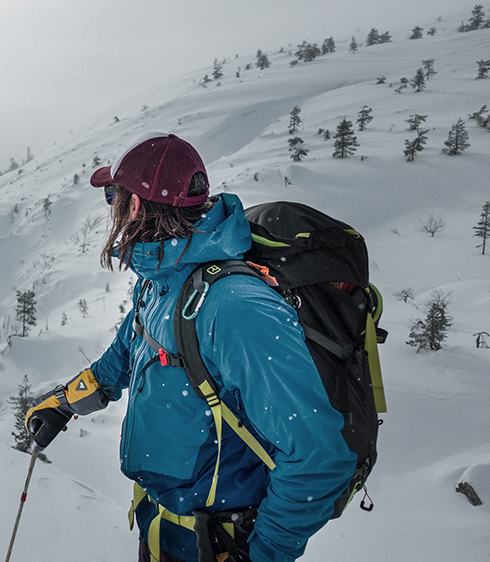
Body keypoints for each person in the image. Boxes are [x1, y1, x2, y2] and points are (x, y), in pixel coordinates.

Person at [25, 133, 354, 562]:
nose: (112, 208)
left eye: (113, 196)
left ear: (136, 206)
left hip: (216, 546)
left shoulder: (234, 307)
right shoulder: (164, 281)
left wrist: (261, 556)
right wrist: (65, 403)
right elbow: (124, 356)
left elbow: (318, 457)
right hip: (163, 532)